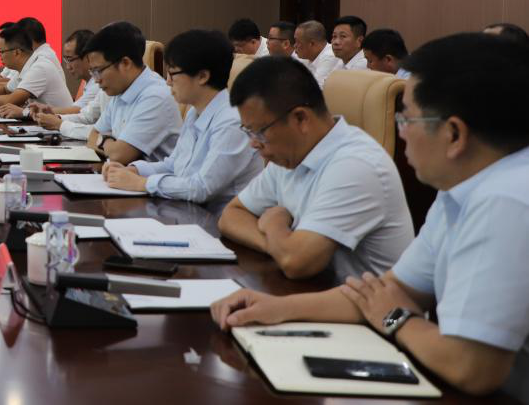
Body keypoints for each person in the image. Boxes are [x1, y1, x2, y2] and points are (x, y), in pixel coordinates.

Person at [211, 33, 529, 400]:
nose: (401, 132)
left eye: (407, 118)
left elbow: (471, 367)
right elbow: (390, 291)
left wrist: (395, 318)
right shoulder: (460, 188)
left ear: (454, 133)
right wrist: (276, 308)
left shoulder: (506, 199)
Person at [218, 56, 413, 281]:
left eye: (259, 132)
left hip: (364, 302)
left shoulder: (356, 166)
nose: (253, 143)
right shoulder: (290, 154)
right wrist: (278, 245)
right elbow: (231, 215)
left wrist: (274, 223)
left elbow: (296, 262)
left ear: (300, 118)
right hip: (316, 292)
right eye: (249, 132)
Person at [103, 30, 263, 213]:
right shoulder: (195, 111)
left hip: (217, 222)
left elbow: (202, 188)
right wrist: (135, 170)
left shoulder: (232, 122)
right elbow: (174, 165)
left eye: (172, 74)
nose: (168, 82)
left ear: (202, 76)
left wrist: (142, 183)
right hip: (187, 211)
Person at [84, 21, 182, 164]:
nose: (96, 80)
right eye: (92, 72)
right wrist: (108, 143)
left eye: (98, 71)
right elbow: (93, 136)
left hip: (149, 177)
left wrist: (103, 141)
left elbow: (119, 155)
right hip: (123, 174)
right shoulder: (120, 90)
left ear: (125, 63)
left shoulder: (155, 97)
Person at [0, 24, 74, 109]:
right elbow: (5, 89)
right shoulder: (26, 66)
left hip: (60, 123)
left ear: (17, 52)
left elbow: (11, 100)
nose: (0, 56)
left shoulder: (39, 67)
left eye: (1, 51)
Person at [31, 30, 108, 139]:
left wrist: (59, 123)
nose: (68, 66)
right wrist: (57, 118)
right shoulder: (99, 85)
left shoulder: (101, 85)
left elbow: (102, 133)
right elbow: (87, 116)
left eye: (70, 59)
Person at [292, 20, 340, 88]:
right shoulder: (307, 56)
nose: (294, 45)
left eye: (297, 42)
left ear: (312, 44)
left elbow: (315, 90)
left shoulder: (330, 56)